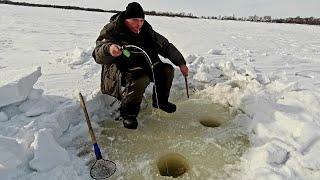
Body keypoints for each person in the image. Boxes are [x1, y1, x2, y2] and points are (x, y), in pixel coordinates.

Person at [92, 2, 189, 129]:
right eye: (134, 20)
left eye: (141, 20)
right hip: (120, 71)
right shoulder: (113, 29)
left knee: (167, 70)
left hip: (144, 64)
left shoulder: (146, 31)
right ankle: (128, 113)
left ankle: (160, 102)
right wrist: (109, 49)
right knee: (141, 78)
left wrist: (181, 63)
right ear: (126, 19)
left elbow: (166, 46)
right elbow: (97, 54)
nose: (139, 24)